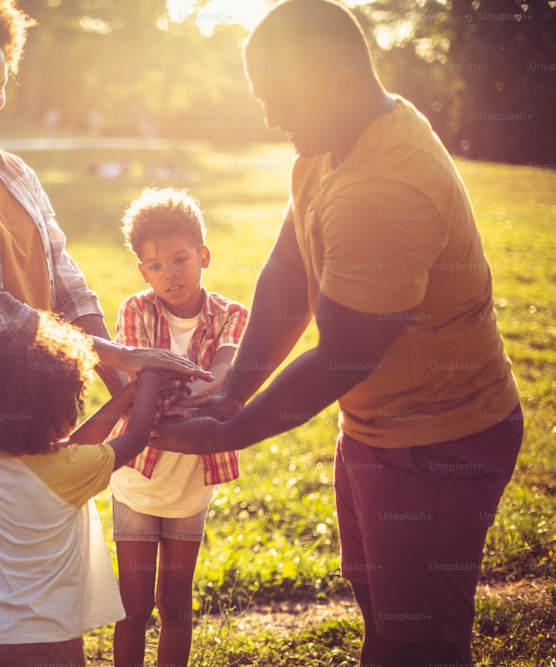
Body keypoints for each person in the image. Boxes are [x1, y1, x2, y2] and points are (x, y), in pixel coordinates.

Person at [154, 2, 523, 666]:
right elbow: (290, 269)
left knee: (424, 645)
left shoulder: (384, 185)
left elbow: (344, 356)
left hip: (442, 441)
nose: (270, 116)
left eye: (280, 98)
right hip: (377, 430)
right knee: (383, 619)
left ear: (341, 79)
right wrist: (236, 383)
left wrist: (229, 431)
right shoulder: (332, 142)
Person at [0, 2, 208, 665]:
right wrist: (114, 353)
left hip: (27, 424)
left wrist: (129, 377)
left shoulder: (16, 173)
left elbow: (67, 278)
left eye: (0, 85)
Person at [0, 313, 194, 667]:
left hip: (0, 632)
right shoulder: (67, 472)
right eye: (73, 399)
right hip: (49, 636)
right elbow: (134, 439)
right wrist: (150, 378)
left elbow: (73, 445)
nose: (76, 406)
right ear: (54, 409)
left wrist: (129, 392)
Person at [107, 188, 248, 667]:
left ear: (203, 255)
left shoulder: (230, 315)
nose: (169, 274)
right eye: (154, 265)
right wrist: (193, 396)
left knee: (175, 605)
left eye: (180, 259)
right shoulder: (135, 310)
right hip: (138, 482)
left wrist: (170, 393)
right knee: (133, 607)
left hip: (191, 484)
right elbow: (141, 385)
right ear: (142, 271)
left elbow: (226, 372)